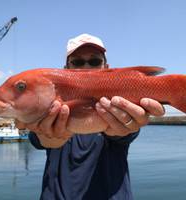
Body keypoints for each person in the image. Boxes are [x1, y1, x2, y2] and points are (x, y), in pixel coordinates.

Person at [16, 33, 165, 200]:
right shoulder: (48, 100)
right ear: (65, 69)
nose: (86, 66)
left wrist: (125, 128)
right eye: (78, 62)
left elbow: (125, 134)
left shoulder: (119, 102)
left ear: (106, 67)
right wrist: (48, 137)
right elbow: (38, 139)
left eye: (94, 61)